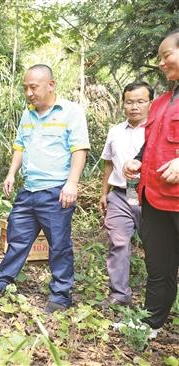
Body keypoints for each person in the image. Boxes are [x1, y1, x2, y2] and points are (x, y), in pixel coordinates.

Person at [0, 64, 90, 314]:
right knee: (17, 239)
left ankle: (61, 295)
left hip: (56, 191)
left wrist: (72, 183)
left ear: (50, 85)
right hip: (28, 190)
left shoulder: (70, 112)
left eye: (34, 87)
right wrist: (11, 173)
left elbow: (79, 150)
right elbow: (20, 146)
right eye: (25, 88)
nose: (29, 93)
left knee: (58, 245)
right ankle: (1, 282)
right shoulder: (27, 114)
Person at [123, 29, 179, 334]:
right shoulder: (160, 103)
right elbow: (152, 144)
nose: (161, 62)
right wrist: (138, 160)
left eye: (166, 54)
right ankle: (149, 324)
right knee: (158, 268)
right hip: (155, 198)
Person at [99, 82, 154, 308]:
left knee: (157, 246)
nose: (134, 107)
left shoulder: (156, 130)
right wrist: (104, 193)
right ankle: (119, 294)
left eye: (140, 101)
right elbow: (109, 165)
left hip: (149, 196)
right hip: (121, 194)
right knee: (118, 243)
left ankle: (159, 296)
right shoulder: (115, 132)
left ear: (151, 102)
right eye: (129, 102)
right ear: (123, 104)